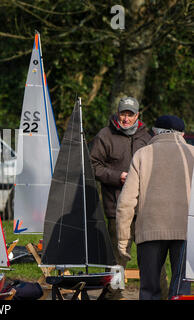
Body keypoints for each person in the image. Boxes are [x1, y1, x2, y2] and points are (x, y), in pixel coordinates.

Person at [116, 115, 194, 300]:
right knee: (180, 292)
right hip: (185, 232)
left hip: (150, 231)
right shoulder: (191, 154)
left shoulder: (143, 154)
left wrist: (123, 239)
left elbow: (126, 202)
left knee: (149, 291)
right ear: (182, 134)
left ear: (155, 131)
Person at [90, 97, 153, 298]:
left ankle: (157, 294)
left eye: (130, 114)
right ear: (118, 113)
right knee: (118, 260)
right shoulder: (105, 135)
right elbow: (92, 166)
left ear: (137, 115)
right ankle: (112, 296)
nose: (126, 118)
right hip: (116, 209)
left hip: (144, 210)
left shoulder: (148, 137)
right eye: (123, 113)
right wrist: (118, 176)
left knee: (152, 257)